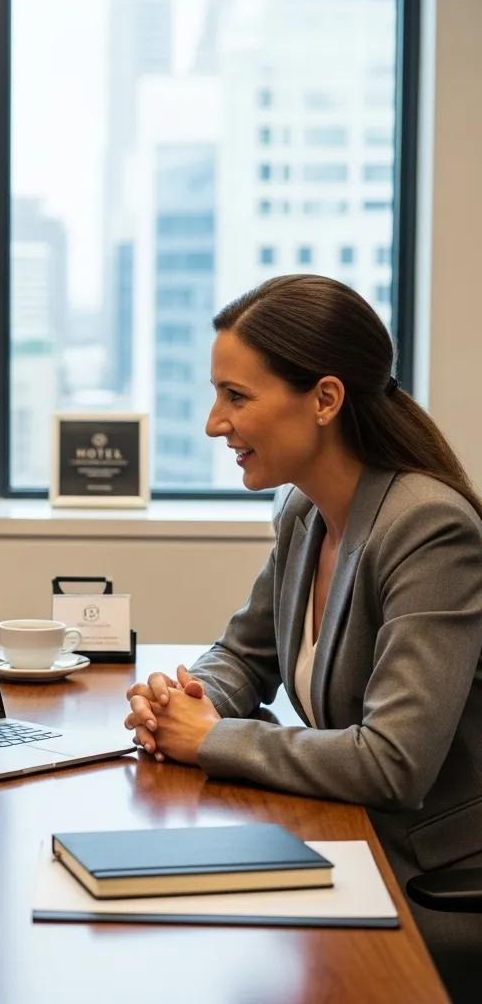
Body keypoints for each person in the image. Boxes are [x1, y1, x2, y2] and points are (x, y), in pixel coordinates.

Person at [123, 274, 482, 1000]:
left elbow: (391, 764)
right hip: (346, 844)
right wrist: (189, 697)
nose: (213, 424)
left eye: (237, 397)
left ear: (324, 399)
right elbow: (243, 655)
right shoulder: (304, 511)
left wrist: (209, 739)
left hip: (433, 885)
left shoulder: (428, 530)